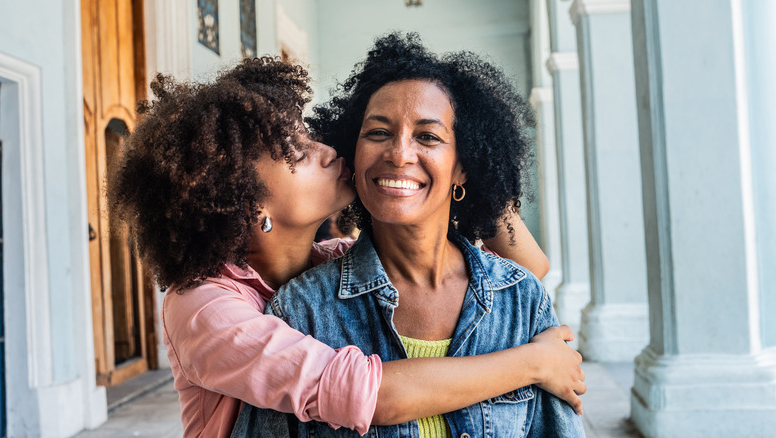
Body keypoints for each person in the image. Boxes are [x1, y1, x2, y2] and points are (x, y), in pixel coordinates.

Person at [108, 56, 583, 438]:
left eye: (313, 137)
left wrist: (470, 166)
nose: (326, 150)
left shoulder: (333, 260)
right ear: (249, 204)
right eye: (297, 152)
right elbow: (369, 396)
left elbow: (523, 272)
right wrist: (534, 363)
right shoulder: (206, 306)